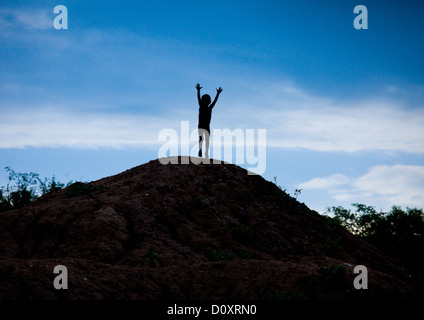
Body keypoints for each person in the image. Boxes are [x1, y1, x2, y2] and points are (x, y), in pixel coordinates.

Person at [196, 83, 222, 158]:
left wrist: (218, 94)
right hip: (203, 125)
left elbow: (214, 101)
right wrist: (198, 90)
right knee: (202, 139)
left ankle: (205, 152)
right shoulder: (203, 107)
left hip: (205, 125)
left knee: (205, 139)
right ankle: (202, 151)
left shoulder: (208, 108)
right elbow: (214, 101)